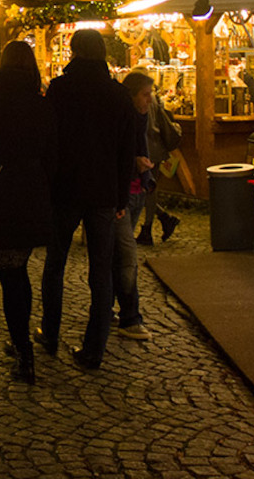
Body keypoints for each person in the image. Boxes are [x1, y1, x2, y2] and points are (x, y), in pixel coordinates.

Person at [38, 29, 136, 370]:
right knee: (101, 271)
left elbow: (48, 142)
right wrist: (121, 194)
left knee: (55, 263)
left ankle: (50, 334)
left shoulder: (60, 90)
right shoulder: (117, 95)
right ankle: (94, 348)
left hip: (65, 190)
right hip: (103, 192)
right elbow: (127, 152)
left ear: (75, 51)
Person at [0, 40, 56, 384]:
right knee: (19, 269)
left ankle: (23, 351)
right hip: (32, 192)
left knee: (10, 276)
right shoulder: (42, 104)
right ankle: (21, 341)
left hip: (0, 192)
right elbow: (52, 151)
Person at [112, 71, 155, 341]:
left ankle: (106, 306)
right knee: (127, 256)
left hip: (137, 190)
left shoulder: (141, 118)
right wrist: (135, 163)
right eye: (145, 95)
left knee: (117, 252)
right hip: (122, 194)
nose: (149, 100)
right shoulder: (123, 119)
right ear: (132, 95)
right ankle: (130, 317)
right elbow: (116, 155)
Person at [135, 77, 182, 245]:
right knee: (145, 190)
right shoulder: (153, 98)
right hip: (153, 148)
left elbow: (147, 127)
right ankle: (164, 218)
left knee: (147, 189)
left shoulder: (144, 100)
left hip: (149, 150)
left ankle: (148, 229)